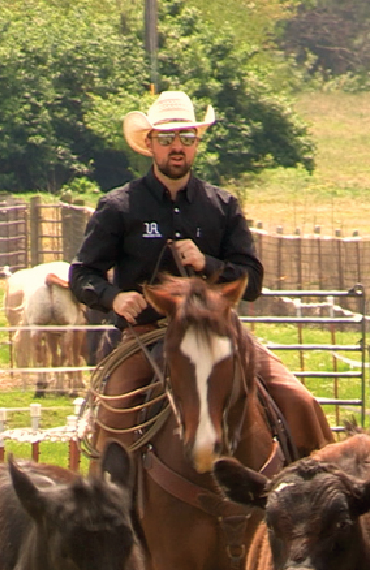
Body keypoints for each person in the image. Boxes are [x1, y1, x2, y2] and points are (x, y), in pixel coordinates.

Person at [70, 90, 333, 467]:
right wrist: (114, 298)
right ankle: (104, 516)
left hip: (220, 335)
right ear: (150, 144)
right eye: (167, 138)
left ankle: (317, 499)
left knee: (300, 401)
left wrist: (207, 263)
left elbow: (252, 280)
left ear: (197, 143)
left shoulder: (222, 206)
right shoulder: (119, 207)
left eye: (187, 138)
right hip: (146, 336)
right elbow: (83, 274)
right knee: (113, 423)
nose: (177, 147)